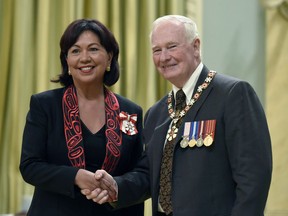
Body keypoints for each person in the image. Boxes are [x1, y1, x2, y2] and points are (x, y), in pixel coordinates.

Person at [82, 15, 273, 216]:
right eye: (157, 50)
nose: (164, 57)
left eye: (172, 46)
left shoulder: (232, 95)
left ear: (196, 46)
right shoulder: (156, 113)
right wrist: (115, 187)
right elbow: (149, 174)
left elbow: (254, 178)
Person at [19, 18, 144, 216]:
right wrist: (75, 176)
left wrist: (116, 186)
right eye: (75, 51)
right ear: (66, 60)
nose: (84, 58)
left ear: (109, 57)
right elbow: (30, 166)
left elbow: (141, 173)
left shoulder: (129, 112)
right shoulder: (44, 105)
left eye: (93, 49)